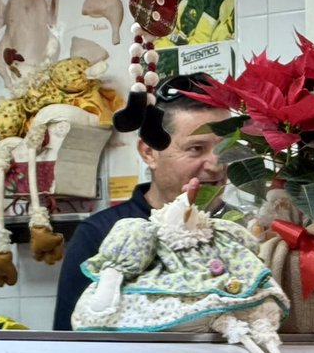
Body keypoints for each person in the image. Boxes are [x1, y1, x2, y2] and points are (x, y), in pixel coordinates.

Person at [53, 72, 230, 330]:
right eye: (196, 149)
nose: (216, 166)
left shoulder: (239, 230)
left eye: (224, 148)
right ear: (149, 152)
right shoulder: (100, 235)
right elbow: (71, 344)